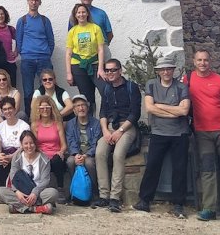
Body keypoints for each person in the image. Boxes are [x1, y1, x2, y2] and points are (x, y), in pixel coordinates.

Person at [133, 57, 190, 219]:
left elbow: (184, 111)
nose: (166, 72)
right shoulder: (151, 84)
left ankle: (178, 204)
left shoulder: (181, 87)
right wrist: (173, 110)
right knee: (152, 166)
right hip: (159, 132)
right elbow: (150, 108)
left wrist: (161, 106)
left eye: (169, 69)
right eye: (162, 69)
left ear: (173, 70)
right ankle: (144, 200)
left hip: (179, 133)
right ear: (158, 71)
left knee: (180, 168)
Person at [186, 49, 220, 222]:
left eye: (205, 60)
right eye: (199, 60)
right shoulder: (188, 79)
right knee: (207, 170)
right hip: (202, 132)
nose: (202, 63)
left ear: (210, 61)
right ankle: (209, 208)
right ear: (194, 61)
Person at [93, 59, 140, 213]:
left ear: (120, 71)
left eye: (113, 70)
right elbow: (103, 112)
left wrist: (120, 131)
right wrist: (105, 131)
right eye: (107, 70)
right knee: (100, 153)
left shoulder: (132, 88)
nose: (110, 73)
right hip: (110, 128)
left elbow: (135, 114)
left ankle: (114, 197)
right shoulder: (106, 89)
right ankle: (104, 195)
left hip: (127, 127)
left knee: (118, 155)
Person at [0, 130, 58, 214]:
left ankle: (18, 207)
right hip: (21, 192)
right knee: (0, 192)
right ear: (21, 144)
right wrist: (17, 192)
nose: (29, 146)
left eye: (31, 143)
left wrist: (34, 193)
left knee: (53, 193)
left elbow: (45, 180)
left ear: (35, 143)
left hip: (38, 192)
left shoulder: (44, 159)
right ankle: (36, 208)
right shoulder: (17, 157)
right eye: (26, 143)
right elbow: (13, 177)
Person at [16, 0, 55, 115]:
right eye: (31, 0)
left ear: (40, 3)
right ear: (28, 1)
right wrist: (25, 54)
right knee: (28, 91)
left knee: (46, 88)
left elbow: (51, 40)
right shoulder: (22, 21)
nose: (34, 2)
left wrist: (47, 53)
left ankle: (47, 116)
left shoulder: (45, 21)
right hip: (27, 60)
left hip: (44, 59)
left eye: (36, 0)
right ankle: (30, 117)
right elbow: (19, 40)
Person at [65, 3, 105, 114]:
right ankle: (90, 121)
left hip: (94, 64)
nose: (81, 14)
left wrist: (101, 68)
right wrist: (69, 73)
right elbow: (68, 53)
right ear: (75, 15)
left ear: (87, 13)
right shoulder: (72, 31)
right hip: (78, 66)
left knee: (105, 90)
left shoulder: (95, 28)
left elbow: (101, 49)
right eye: (78, 12)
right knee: (87, 97)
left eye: (83, 12)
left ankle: (105, 118)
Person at [65, 94, 101, 200]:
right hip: (77, 153)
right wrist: (76, 154)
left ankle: (94, 191)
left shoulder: (96, 123)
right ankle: (75, 190)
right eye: (77, 106)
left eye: (83, 105)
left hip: (90, 154)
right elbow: (70, 141)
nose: (81, 108)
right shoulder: (70, 124)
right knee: (70, 161)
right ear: (74, 110)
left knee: (89, 163)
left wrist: (86, 155)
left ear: (87, 107)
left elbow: (96, 143)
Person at [30, 95, 68, 190]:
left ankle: (60, 188)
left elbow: (63, 145)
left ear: (52, 108)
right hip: (42, 155)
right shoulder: (35, 125)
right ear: (38, 110)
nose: (45, 110)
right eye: (42, 108)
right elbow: (35, 145)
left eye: (47, 107)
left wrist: (61, 152)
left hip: (56, 155)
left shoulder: (58, 124)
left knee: (57, 160)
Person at [0, 96, 31, 187]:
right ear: (2, 112)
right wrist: (0, 155)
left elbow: (25, 146)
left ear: (15, 109)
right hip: (5, 154)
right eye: (5, 109)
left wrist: (12, 156)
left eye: (10, 108)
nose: (8, 111)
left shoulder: (24, 126)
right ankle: (3, 189)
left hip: (19, 153)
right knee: (0, 161)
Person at [0, 5, 17, 84]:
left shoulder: (10, 29)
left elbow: (20, 41)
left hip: (9, 62)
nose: (0, 16)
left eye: (2, 14)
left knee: (11, 87)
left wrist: (16, 51)